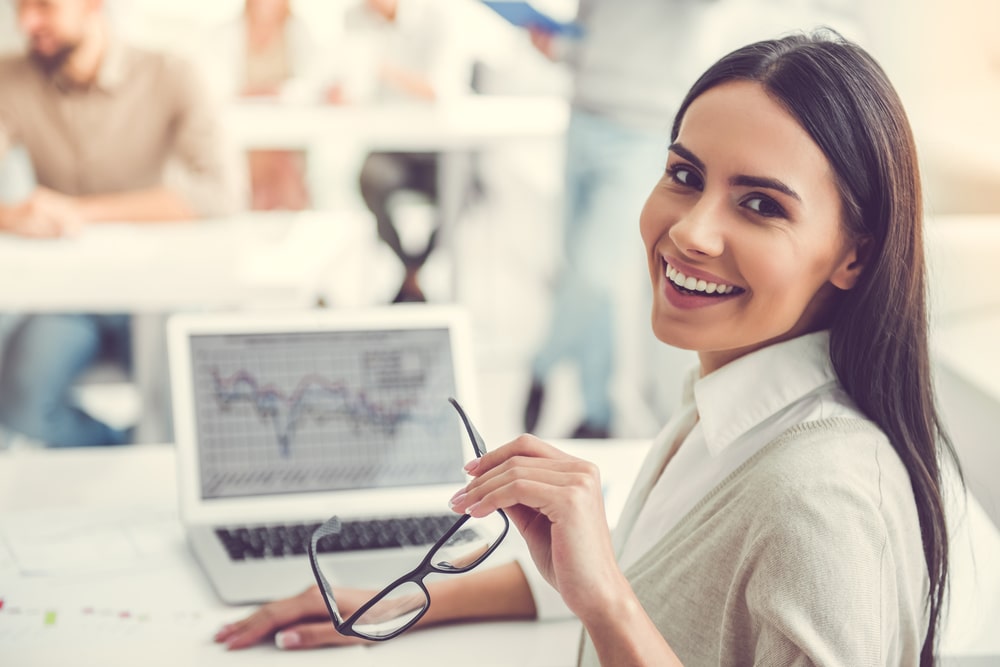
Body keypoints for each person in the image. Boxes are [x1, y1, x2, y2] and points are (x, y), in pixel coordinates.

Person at [213, 30, 960, 665]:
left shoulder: (819, 499)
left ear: (854, 255)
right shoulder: (731, 405)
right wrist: (386, 599)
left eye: (760, 204)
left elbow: (621, 592)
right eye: (684, 176)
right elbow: (652, 575)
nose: (691, 231)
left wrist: (606, 602)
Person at [0, 0, 239, 446]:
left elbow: (218, 193)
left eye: (43, 6)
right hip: (71, 296)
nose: (26, 22)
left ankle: (161, 464)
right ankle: (125, 451)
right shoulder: (10, 78)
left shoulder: (172, 73)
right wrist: (12, 215)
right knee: (20, 401)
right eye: (20, 8)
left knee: (187, 409)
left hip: (161, 288)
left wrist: (81, 213)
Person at [521, 0, 717, 439]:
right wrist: (554, 46)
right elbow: (589, 37)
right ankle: (597, 412)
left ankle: (542, 363)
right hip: (582, 116)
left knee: (595, 276)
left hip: (639, 131)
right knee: (578, 274)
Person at [338, 0, 469, 303]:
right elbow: (354, 84)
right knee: (368, 179)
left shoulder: (437, 18)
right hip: (391, 149)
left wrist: (382, 70)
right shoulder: (354, 18)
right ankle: (411, 270)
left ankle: (414, 271)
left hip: (438, 151)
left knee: (459, 190)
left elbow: (440, 89)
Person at [204, 0, 332, 211]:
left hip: (288, 135)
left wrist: (279, 93)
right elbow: (217, 85)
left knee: (282, 162)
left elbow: (312, 83)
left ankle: (290, 218)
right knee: (258, 170)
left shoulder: (299, 31)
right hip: (246, 134)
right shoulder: (226, 33)